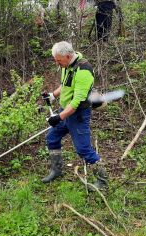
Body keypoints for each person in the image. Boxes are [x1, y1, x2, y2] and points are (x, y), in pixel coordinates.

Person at [41, 41, 109, 190]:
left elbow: (77, 101)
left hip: (78, 115)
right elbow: (65, 85)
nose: (57, 63)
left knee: (83, 149)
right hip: (65, 110)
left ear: (68, 55)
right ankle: (56, 170)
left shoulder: (84, 71)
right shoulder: (67, 65)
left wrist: (59, 117)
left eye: (59, 60)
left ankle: (102, 182)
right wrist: (53, 95)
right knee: (52, 138)